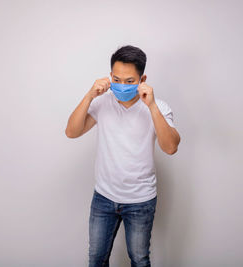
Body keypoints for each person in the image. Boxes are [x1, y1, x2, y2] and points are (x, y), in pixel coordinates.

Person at [65, 45, 181, 267]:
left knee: (139, 259)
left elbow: (170, 147)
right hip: (104, 197)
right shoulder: (102, 102)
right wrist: (89, 96)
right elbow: (72, 132)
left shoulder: (158, 107)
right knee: (96, 259)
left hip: (140, 200)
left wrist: (152, 106)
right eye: (117, 79)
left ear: (142, 78)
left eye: (129, 81)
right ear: (110, 76)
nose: (122, 85)